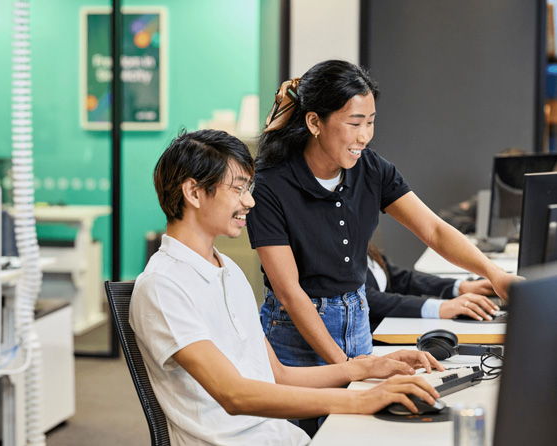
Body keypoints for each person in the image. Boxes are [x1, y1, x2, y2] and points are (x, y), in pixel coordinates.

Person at [129, 129, 443, 445]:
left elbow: (278, 375)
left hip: (279, 437)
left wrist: (366, 367)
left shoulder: (228, 271)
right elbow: (233, 395)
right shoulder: (162, 286)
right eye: (238, 189)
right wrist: (361, 401)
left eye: (248, 188)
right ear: (194, 193)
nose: (249, 201)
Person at [246, 59, 522, 368]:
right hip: (295, 334)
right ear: (314, 123)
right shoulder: (271, 182)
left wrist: (494, 273)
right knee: (317, 414)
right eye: (354, 123)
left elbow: (434, 230)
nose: (364, 136)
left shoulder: (371, 168)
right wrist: (350, 368)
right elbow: (289, 293)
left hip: (358, 321)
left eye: (370, 122)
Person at [366, 243, 499, 332]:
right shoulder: (346, 250)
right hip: (371, 338)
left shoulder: (364, 245)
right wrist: (441, 307)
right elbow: (367, 299)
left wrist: (460, 287)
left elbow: (400, 279)